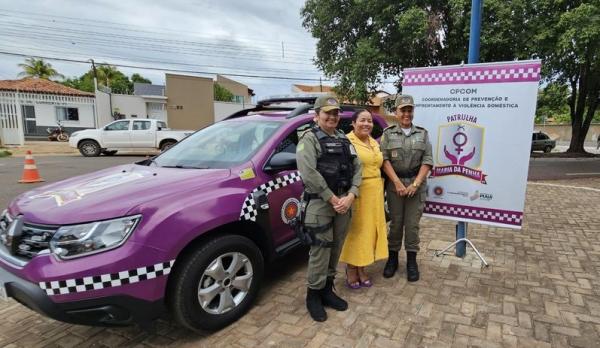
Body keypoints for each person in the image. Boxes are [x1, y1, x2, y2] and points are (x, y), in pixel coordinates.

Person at [296, 95, 363, 322]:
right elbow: (309, 172)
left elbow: (357, 167)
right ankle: (313, 295)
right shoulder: (309, 139)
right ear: (317, 116)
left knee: (336, 248)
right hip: (321, 204)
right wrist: (332, 198)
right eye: (328, 113)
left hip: (344, 202)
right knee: (320, 251)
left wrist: (352, 194)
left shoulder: (344, 139)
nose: (333, 117)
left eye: (335, 113)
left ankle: (327, 289)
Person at [380, 94, 433, 282]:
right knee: (395, 225)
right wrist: (397, 183)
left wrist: (415, 184)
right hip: (395, 186)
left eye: (410, 110)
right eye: (403, 110)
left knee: (412, 226)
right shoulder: (388, 134)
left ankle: (412, 262)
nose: (407, 113)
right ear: (396, 111)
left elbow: (427, 161)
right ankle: (392, 260)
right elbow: (384, 159)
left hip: (416, 187)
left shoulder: (422, 133)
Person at [339, 109, 388, 288]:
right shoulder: (347, 141)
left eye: (369, 121)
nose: (366, 124)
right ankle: (351, 268)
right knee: (356, 230)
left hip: (375, 191)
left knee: (369, 231)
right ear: (353, 123)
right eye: (362, 120)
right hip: (357, 191)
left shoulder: (374, 142)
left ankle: (362, 266)